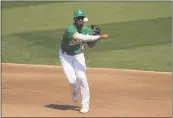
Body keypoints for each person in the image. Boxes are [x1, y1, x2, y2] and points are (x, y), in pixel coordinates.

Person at [59, 9, 108, 113]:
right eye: (78, 18)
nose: (80, 20)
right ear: (74, 19)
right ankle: (74, 90)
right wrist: (98, 36)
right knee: (72, 80)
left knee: (82, 78)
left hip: (78, 56)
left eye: (82, 18)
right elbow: (80, 37)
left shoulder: (87, 30)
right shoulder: (70, 29)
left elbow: (90, 45)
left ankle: (85, 104)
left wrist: (95, 38)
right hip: (65, 57)